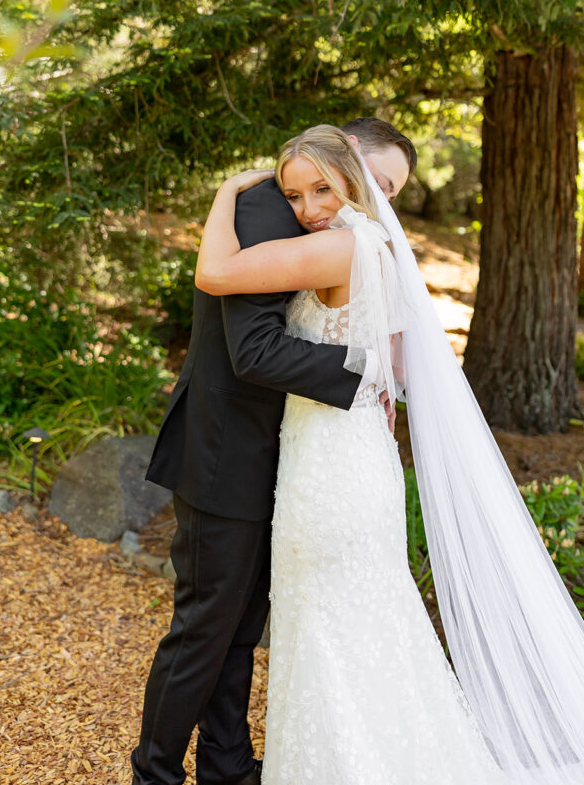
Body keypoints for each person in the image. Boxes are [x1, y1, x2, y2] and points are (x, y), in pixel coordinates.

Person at [197, 125, 584, 785]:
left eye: (320, 189)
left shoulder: (336, 246)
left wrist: (222, 195)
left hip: (329, 466)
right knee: (359, 623)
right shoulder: (375, 243)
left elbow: (214, 274)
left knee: (328, 624)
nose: (305, 209)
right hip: (344, 454)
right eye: (294, 195)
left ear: (349, 179)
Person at [130, 119, 417, 785]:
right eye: (375, 178)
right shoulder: (264, 207)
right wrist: (362, 369)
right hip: (223, 451)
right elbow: (252, 348)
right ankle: (154, 775)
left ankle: (227, 767)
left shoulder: (333, 226)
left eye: (391, 189)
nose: (378, 195)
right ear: (346, 154)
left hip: (285, 456)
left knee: (237, 628)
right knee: (205, 629)